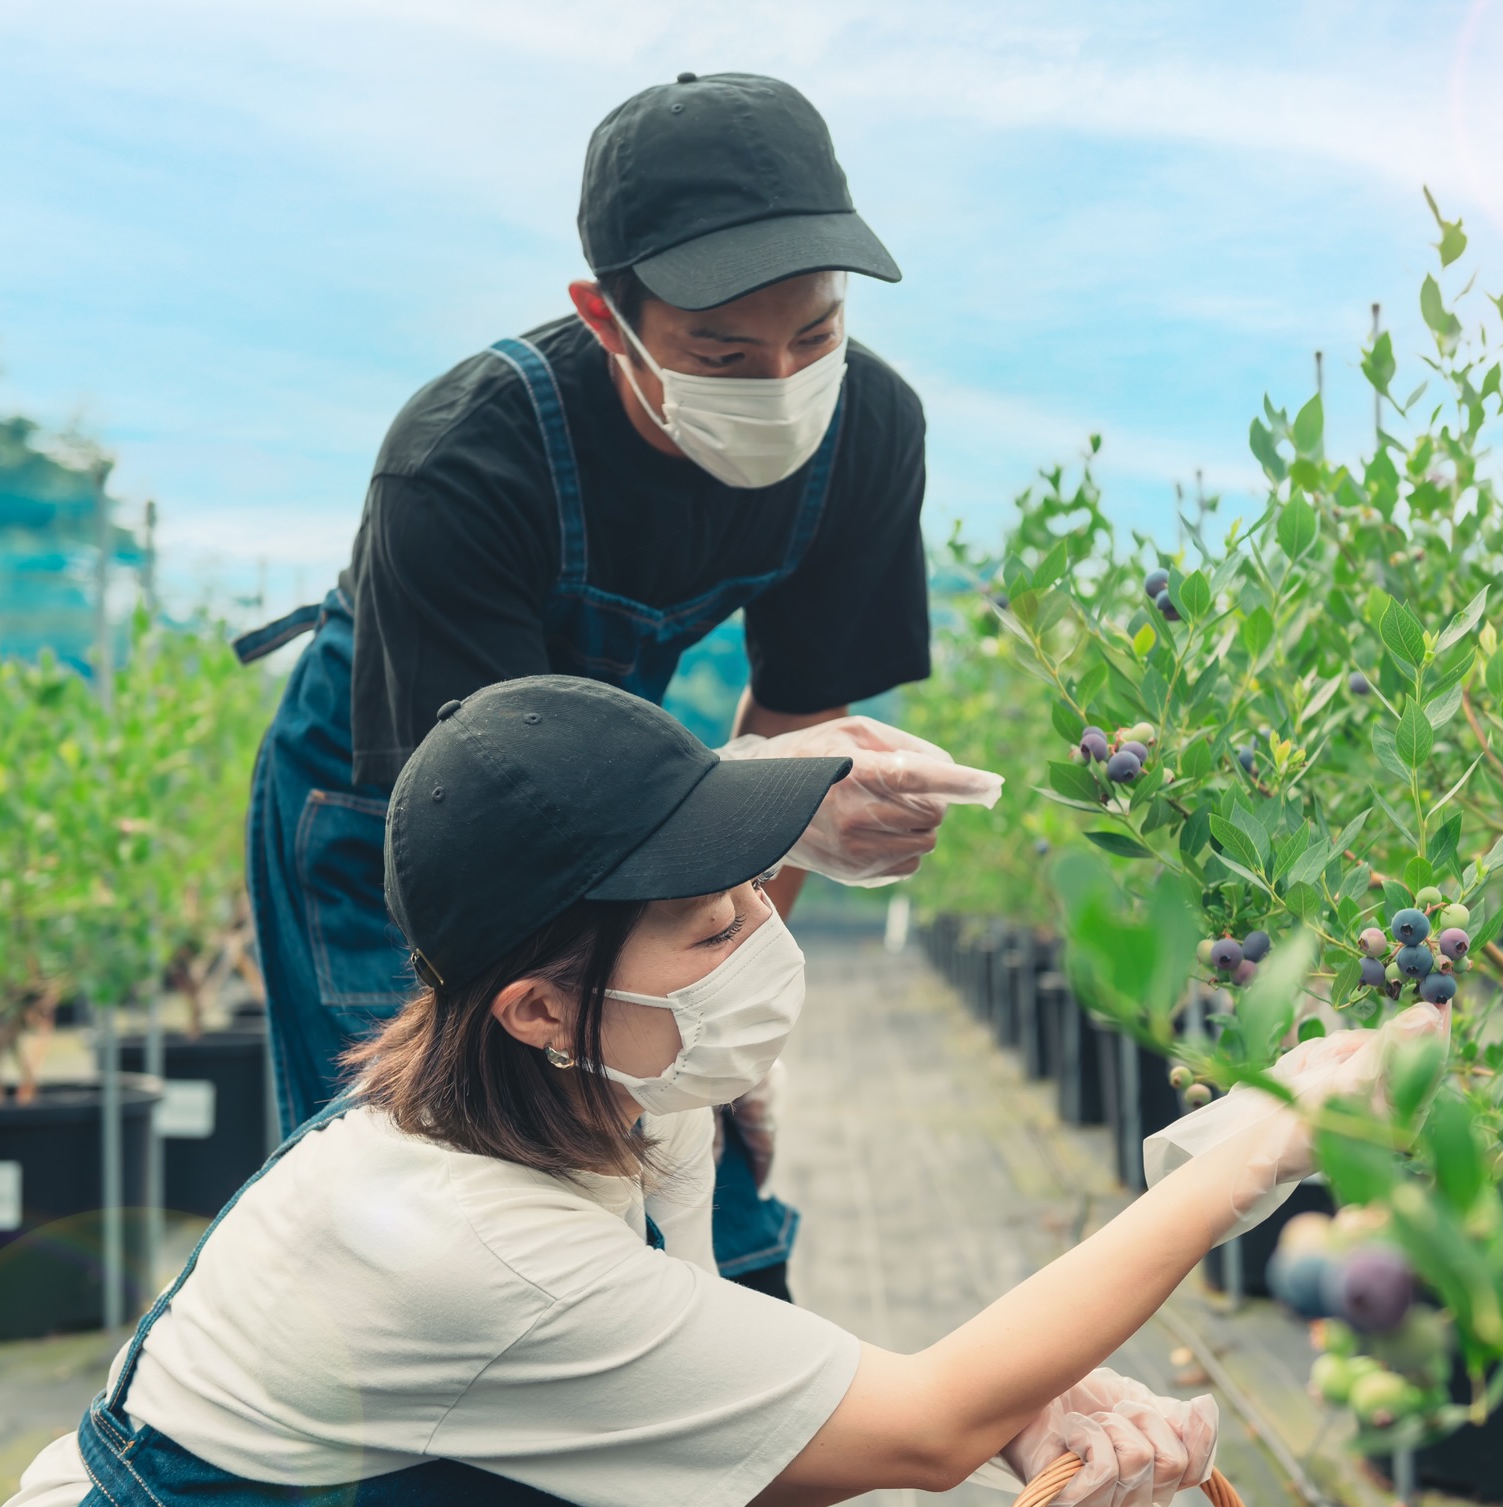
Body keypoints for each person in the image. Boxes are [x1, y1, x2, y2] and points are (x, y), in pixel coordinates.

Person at [0, 677, 1447, 1507]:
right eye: (708, 924)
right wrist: (1251, 1143)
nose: (761, 932)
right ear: (540, 1002)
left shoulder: (627, 1095)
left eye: (757, 887)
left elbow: (717, 1421)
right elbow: (927, 1423)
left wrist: (1034, 1395)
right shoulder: (451, 1237)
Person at [237, 70, 998, 1290]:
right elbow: (489, 819)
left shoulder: (863, 433)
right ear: (607, 318)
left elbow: (798, 724)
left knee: (692, 1210)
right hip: (395, 801)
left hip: (601, 799)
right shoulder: (465, 458)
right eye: (721, 350)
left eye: (815, 334)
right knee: (423, 1201)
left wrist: (727, 1005)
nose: (779, 384)